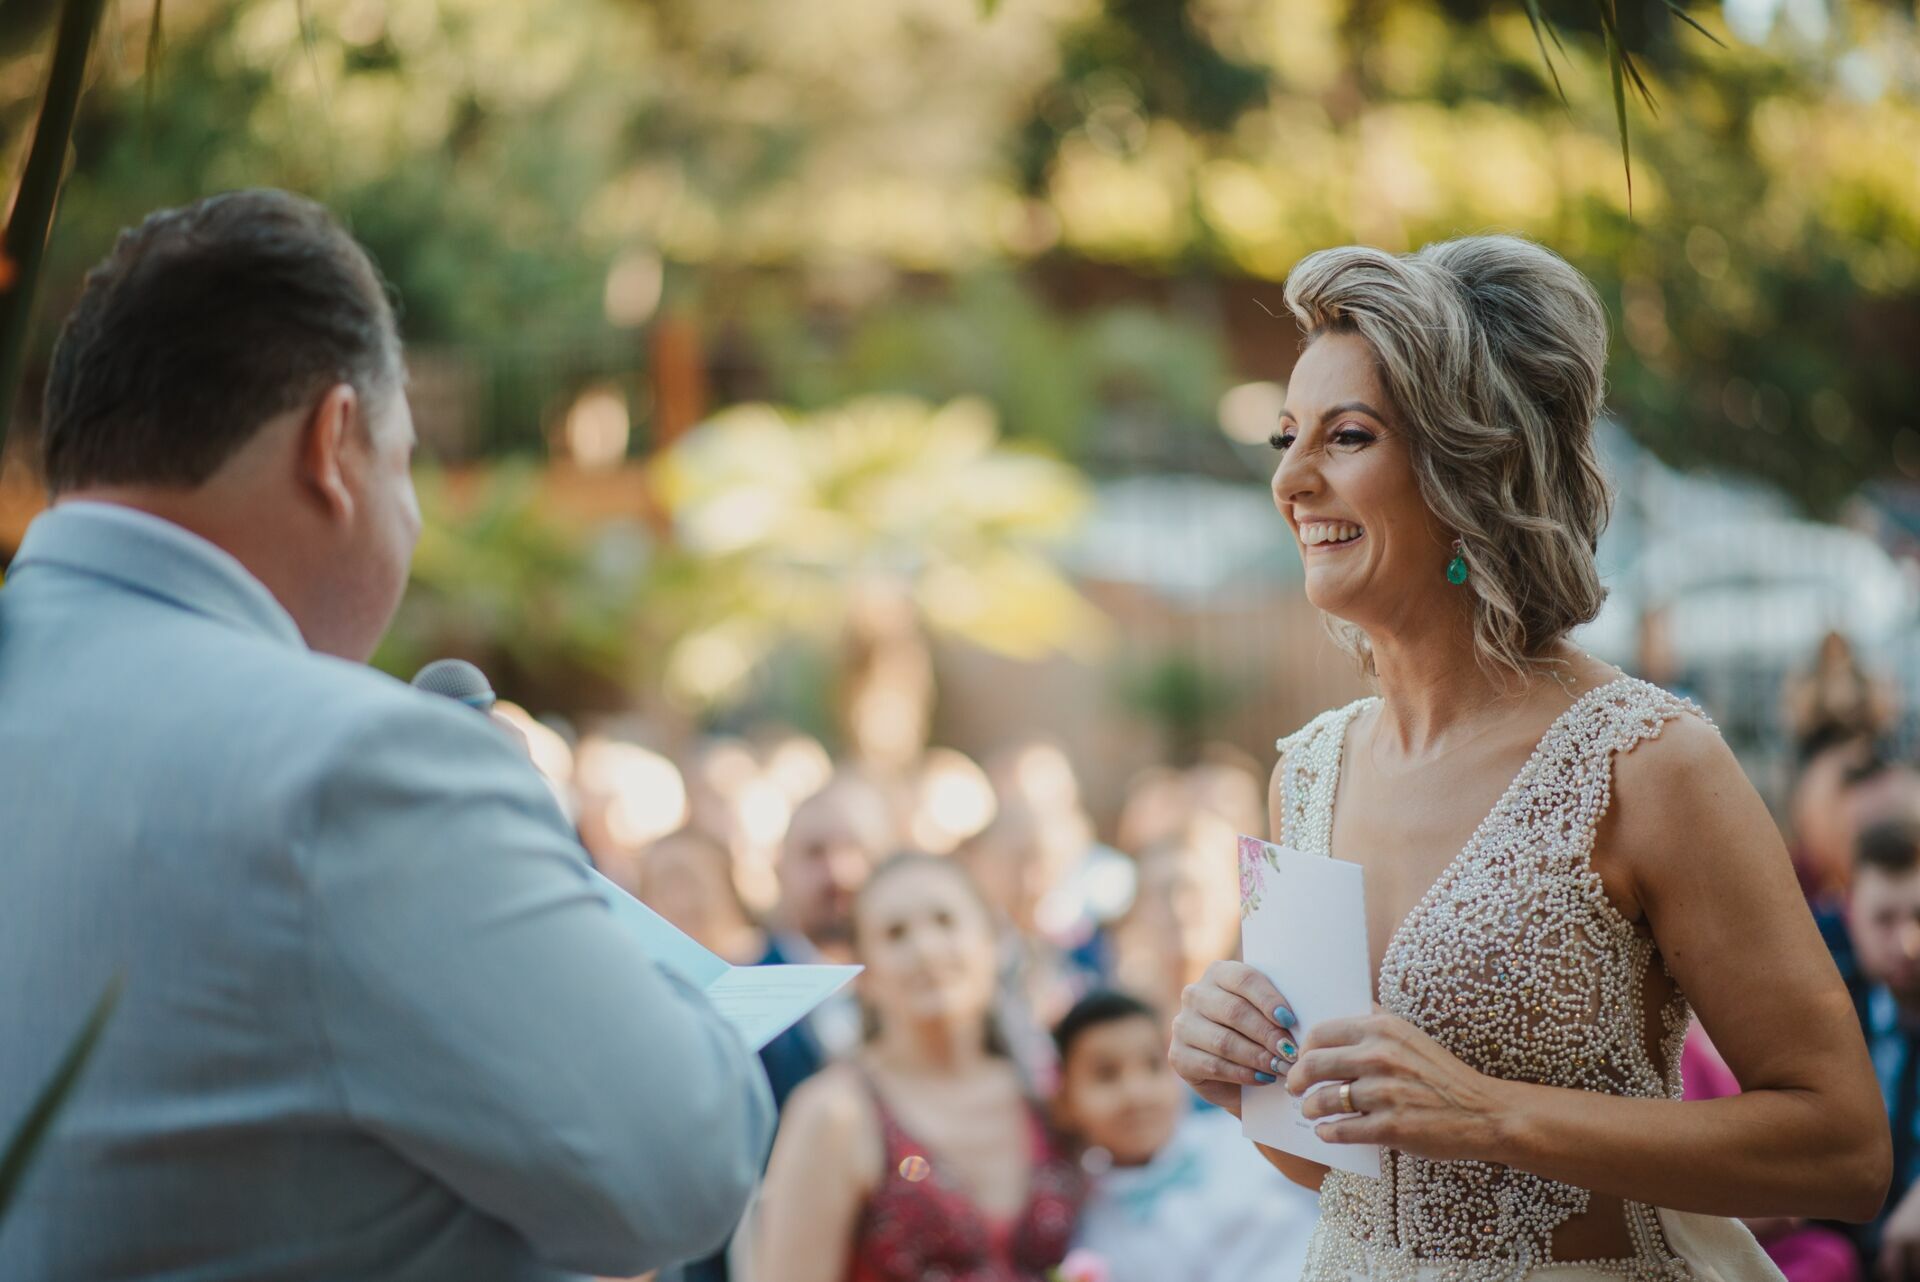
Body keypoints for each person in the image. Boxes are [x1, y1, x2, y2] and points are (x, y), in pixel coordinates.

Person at [0, 190, 772, 1282]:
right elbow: (689, 1162)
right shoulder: (360, 770)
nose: (408, 512)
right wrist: (534, 856)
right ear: (334, 443)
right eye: (405, 462)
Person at [1167, 235, 1889, 1281]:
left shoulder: (1645, 762)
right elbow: (1346, 1170)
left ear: (1471, 467)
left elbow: (1845, 1152)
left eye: (1347, 436)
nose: (1290, 478)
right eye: (1288, 437)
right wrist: (1240, 1076)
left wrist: (1491, 1113)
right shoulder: (1308, 775)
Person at [753, 853, 1085, 1282]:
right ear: (864, 975)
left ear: (992, 942)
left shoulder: (1045, 1093)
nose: (925, 949)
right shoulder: (834, 1114)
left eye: (945, 921)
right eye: (896, 934)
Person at [1052, 990, 1319, 1282]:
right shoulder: (1089, 1231)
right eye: (1106, 1075)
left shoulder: (1246, 1134)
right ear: (1064, 1101)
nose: (1137, 1093)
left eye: (1153, 1065)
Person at [755, 771, 898, 1109]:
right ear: (780, 868)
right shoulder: (748, 993)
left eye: (855, 848)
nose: (837, 872)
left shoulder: (912, 982)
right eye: (814, 853)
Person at [1840, 817, 1920, 1273]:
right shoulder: (1831, 1009)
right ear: (1850, 914)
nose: (1908, 943)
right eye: (1884, 920)